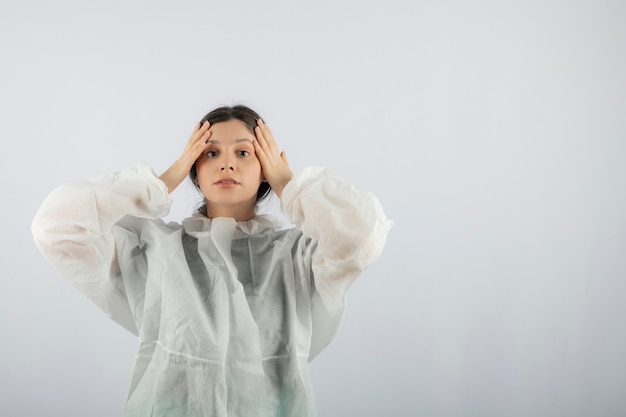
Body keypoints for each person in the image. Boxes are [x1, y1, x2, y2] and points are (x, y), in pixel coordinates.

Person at [31, 104, 393, 417]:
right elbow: (55, 227)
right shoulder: (156, 248)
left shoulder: (296, 255)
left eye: (244, 153)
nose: (227, 165)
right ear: (195, 167)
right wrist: (162, 180)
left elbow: (363, 237)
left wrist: (290, 185)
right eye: (211, 153)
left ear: (265, 168)